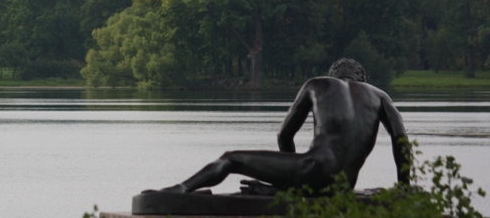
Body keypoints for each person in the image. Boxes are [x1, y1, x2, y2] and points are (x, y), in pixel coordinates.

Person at [146, 58, 409, 194]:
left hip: (312, 169)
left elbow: (284, 134)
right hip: (344, 185)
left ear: (333, 75)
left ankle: (181, 189)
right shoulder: (380, 96)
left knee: (230, 159)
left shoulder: (318, 84)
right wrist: (405, 187)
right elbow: (401, 141)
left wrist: (292, 175)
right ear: (362, 78)